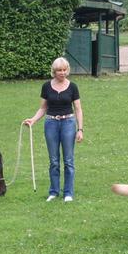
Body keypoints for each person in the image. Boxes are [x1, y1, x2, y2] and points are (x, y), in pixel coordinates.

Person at [23, 57, 84, 202]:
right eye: (59, 70)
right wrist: (33, 120)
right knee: (54, 160)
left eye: (64, 70)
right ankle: (54, 191)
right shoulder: (46, 86)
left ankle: (68, 193)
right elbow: (43, 108)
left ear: (67, 70)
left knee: (68, 160)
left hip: (68, 123)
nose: (62, 73)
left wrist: (80, 129)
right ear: (54, 71)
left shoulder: (73, 87)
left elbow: (78, 109)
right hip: (51, 123)